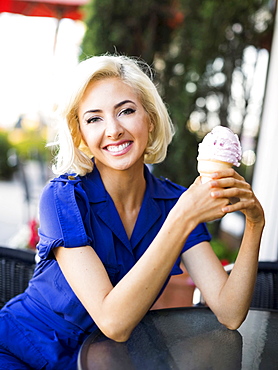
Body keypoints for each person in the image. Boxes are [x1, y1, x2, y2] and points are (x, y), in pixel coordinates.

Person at [0, 54, 265, 370]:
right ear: (80, 135)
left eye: (126, 111)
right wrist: (183, 217)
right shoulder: (63, 197)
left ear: (150, 119)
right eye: (94, 118)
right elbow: (113, 322)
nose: (113, 130)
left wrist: (255, 224)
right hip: (20, 349)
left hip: (103, 362)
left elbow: (230, 312)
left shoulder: (173, 202)